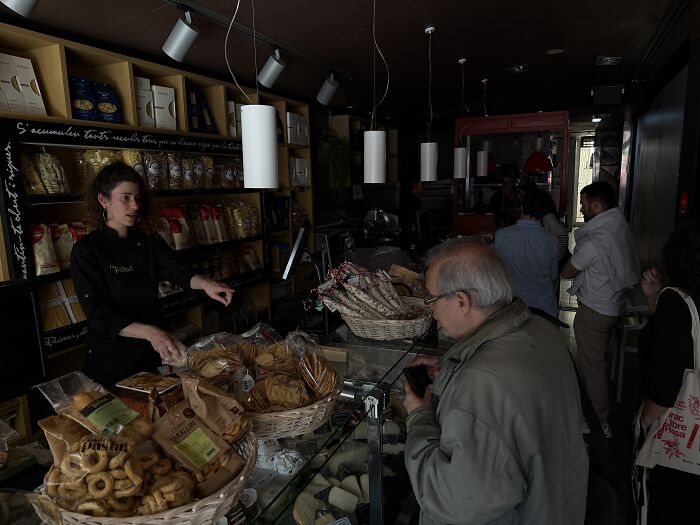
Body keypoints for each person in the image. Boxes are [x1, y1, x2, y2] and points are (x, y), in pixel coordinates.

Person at [404, 239, 588, 524]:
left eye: (431, 300)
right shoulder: (541, 328)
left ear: (462, 301)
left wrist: (418, 417)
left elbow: (453, 503)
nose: (431, 311)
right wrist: (454, 373)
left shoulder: (481, 382)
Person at [71, 161, 234, 385]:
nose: (135, 205)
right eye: (125, 197)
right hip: (112, 360)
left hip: (150, 351)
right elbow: (100, 315)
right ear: (103, 200)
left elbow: (176, 270)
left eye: (137, 198)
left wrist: (206, 284)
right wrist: (152, 333)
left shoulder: (146, 240)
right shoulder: (87, 250)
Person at [561, 181, 640, 434]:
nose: (582, 210)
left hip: (596, 310)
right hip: (612, 304)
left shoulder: (595, 241)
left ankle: (599, 421)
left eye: (583, 204)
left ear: (596, 204)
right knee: (596, 362)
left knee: (593, 366)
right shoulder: (619, 228)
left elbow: (567, 272)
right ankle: (596, 413)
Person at [636, 221, 700, 524]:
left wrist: (644, 424)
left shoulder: (676, 301)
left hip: (681, 442)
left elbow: (665, 379)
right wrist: (653, 300)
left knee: (669, 506)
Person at [495, 189, 559, 317]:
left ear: (522, 207)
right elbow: (553, 277)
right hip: (544, 308)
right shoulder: (551, 240)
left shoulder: (501, 235)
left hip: (511, 308)